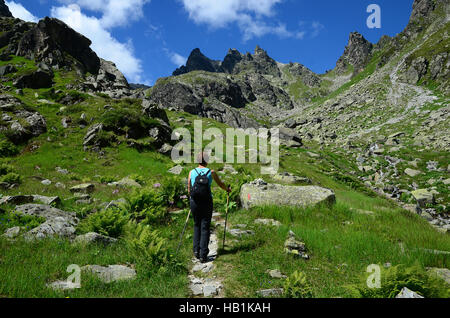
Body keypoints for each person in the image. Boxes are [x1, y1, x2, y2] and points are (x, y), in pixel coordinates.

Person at [188, 152, 231, 263]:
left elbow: (189, 188)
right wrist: (227, 189)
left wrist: (191, 198)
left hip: (194, 202)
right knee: (205, 226)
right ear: (207, 161)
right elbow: (221, 184)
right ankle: (203, 255)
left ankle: (196, 251)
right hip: (207, 201)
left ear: (197, 161)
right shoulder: (211, 172)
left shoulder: (191, 172)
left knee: (196, 224)